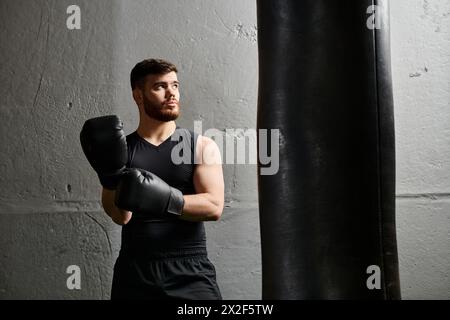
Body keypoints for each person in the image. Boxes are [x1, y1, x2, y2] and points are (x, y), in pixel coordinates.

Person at [80, 58, 224, 300]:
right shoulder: (121, 150)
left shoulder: (200, 145)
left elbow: (214, 206)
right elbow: (120, 216)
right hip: (135, 272)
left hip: (189, 270)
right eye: (160, 87)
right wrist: (110, 175)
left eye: (175, 86)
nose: (171, 94)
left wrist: (163, 198)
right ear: (138, 95)